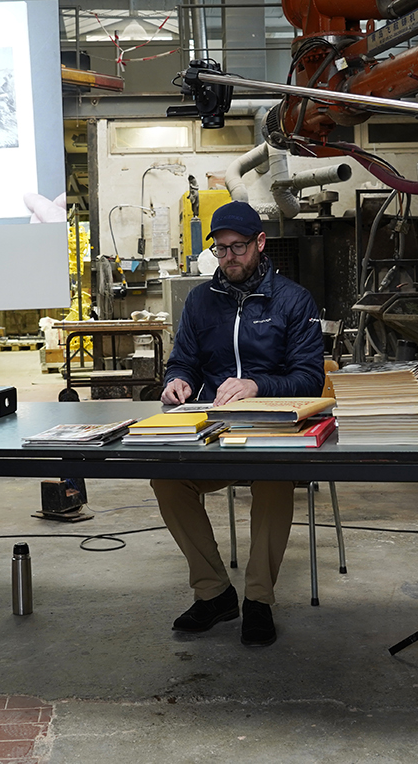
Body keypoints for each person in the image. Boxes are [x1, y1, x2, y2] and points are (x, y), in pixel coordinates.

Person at [151, 200, 325, 647]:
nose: (229, 258)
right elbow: (183, 362)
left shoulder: (293, 300)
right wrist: (177, 383)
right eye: (221, 249)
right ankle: (215, 593)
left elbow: (310, 378)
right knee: (166, 478)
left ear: (260, 244)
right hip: (215, 433)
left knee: (273, 479)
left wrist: (256, 385)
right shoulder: (200, 302)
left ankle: (259, 600)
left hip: (274, 432)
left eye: (239, 248)